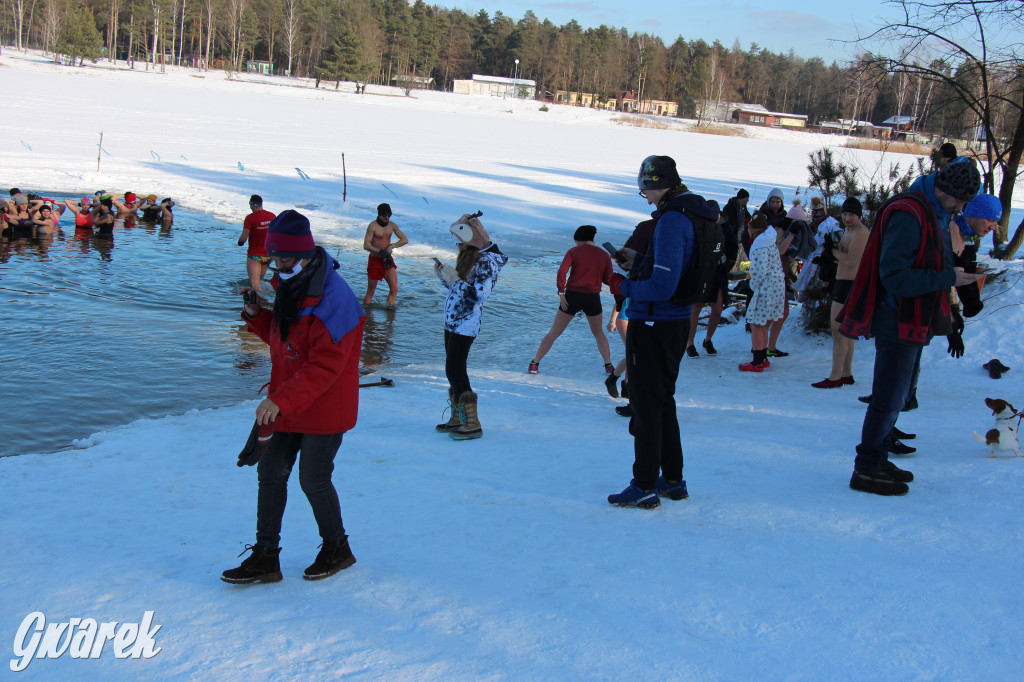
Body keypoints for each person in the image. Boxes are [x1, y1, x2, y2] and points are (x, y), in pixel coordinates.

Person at [222, 209, 366, 584]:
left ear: (302, 253)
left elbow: (324, 367)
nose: (275, 265)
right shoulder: (294, 279)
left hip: (325, 407)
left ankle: (337, 548)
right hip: (289, 399)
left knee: (313, 479)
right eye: (272, 258)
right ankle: (266, 557)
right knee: (271, 472)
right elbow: (288, 338)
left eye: (282, 258)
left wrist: (279, 401)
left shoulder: (336, 299)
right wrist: (257, 315)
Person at [838, 161, 983, 496]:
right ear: (944, 190)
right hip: (897, 318)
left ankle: (879, 455)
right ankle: (867, 468)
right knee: (887, 398)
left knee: (897, 396)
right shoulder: (910, 213)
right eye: (960, 201)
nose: (962, 209)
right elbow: (896, 277)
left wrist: (953, 304)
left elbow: (931, 260)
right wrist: (950, 278)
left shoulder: (935, 210)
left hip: (914, 317)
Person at [606, 155, 718, 509]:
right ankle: (672, 479)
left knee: (646, 405)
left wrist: (625, 289)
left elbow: (663, 285)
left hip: (654, 322)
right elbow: (678, 270)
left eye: (645, 191)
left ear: (653, 184)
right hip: (676, 321)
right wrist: (638, 261)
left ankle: (643, 486)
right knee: (663, 401)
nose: (647, 198)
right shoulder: (696, 213)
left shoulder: (672, 219)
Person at [433, 213, 508, 440]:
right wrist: (446, 278)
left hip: (466, 324)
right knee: (451, 369)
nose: (459, 247)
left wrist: (454, 280)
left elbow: (478, 295)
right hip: (453, 321)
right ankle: (458, 417)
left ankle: (472, 423)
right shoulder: (472, 258)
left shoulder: (486, 262)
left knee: (455, 369)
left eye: (461, 242)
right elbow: (460, 293)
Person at [528, 225, 614, 374]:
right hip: (593, 298)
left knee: (554, 332)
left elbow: (562, 271)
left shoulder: (573, 251)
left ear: (577, 239)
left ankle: (535, 364)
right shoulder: (604, 255)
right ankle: (608, 366)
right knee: (598, 332)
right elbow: (608, 279)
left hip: (572, 296)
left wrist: (561, 292)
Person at [811, 198, 869, 388]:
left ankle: (835, 376)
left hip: (850, 285)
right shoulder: (848, 231)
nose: (847, 218)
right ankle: (846, 373)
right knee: (845, 332)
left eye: (851, 214)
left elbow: (851, 260)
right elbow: (843, 258)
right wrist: (827, 258)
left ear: (858, 215)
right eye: (844, 214)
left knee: (838, 331)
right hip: (843, 282)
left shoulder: (860, 233)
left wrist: (832, 252)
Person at [684, 199, 735, 357]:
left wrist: (725, 261)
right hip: (700, 273)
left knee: (718, 308)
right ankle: (690, 343)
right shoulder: (697, 225)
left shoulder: (725, 226)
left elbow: (733, 247)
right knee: (696, 308)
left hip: (718, 273)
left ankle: (708, 340)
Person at [739, 214, 786, 372]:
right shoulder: (769, 240)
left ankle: (757, 360)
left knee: (756, 323)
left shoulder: (760, 244)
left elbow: (759, 270)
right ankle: (763, 356)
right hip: (777, 285)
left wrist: (753, 285)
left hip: (766, 287)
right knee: (763, 323)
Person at [752, 188, 794, 357]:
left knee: (782, 312)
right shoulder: (762, 218)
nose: (775, 204)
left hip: (781, 268)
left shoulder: (786, 218)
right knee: (763, 316)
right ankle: (760, 347)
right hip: (768, 272)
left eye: (778, 201)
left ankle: (769, 346)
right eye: (773, 201)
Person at [362, 203, 408, 308]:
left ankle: (390, 313)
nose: (387, 217)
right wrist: (379, 251)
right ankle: (366, 315)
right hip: (374, 260)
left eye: (389, 215)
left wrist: (392, 245)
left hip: (387, 260)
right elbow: (366, 245)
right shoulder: (372, 226)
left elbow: (404, 240)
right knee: (371, 291)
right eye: (384, 215)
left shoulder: (392, 225)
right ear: (379, 215)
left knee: (394, 288)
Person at [237, 194, 277, 291]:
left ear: (252, 204)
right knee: (260, 282)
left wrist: (239, 243)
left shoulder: (250, 218)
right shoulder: (272, 216)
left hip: (254, 256)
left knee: (255, 285)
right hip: (268, 255)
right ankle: (263, 302)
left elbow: (243, 239)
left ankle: (256, 304)